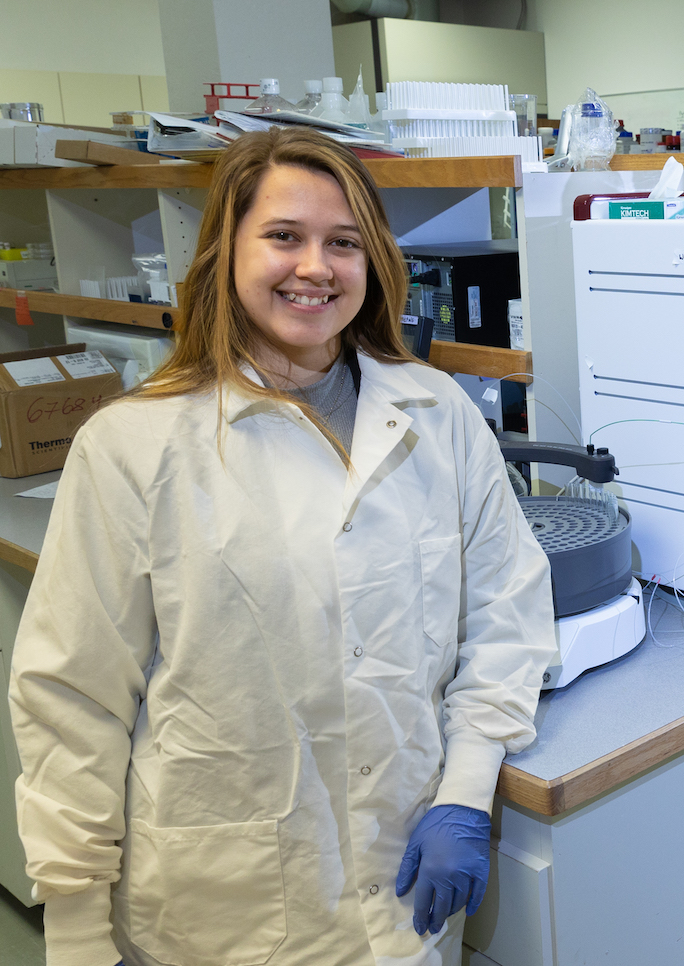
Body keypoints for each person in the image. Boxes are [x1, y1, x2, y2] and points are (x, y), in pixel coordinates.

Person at [8, 128, 557, 965]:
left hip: (407, 886)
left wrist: (468, 789)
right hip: (224, 913)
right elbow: (73, 698)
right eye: (283, 236)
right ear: (224, 253)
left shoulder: (438, 412)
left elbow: (507, 611)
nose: (316, 267)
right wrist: (78, 930)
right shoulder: (136, 444)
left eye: (343, 243)